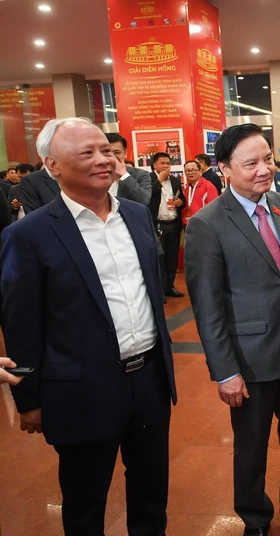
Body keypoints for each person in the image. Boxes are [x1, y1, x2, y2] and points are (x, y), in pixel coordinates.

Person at [0, 117, 177, 536]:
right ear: (52, 165)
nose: (105, 160)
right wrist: (29, 398)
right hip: (81, 389)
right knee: (85, 501)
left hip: (148, 379)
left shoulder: (135, 215)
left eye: (109, 151)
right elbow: (21, 321)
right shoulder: (29, 234)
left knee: (151, 492)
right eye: (88, 153)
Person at [184, 123, 280, 535]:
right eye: (250, 163)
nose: (264, 169)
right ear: (224, 169)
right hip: (249, 358)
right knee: (251, 446)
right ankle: (254, 514)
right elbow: (208, 306)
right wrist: (225, 371)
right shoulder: (207, 223)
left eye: (267, 159)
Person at [148, 152, 186, 300]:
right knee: (159, 259)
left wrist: (180, 203)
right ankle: (160, 290)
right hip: (158, 224)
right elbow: (146, 196)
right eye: (162, 163)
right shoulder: (148, 179)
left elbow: (181, 198)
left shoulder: (175, 180)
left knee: (172, 258)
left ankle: (169, 286)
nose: (166, 166)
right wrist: (159, 180)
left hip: (174, 224)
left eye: (168, 163)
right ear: (154, 165)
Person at [105, 133, 152, 205]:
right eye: (107, 152)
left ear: (125, 153)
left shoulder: (141, 175)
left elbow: (144, 200)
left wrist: (124, 175)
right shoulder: (95, 174)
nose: (112, 157)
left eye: (117, 152)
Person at [182, 160, 219, 226]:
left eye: (193, 170)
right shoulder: (187, 188)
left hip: (204, 224)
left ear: (199, 171)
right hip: (189, 223)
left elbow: (214, 209)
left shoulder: (208, 187)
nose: (190, 173)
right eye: (187, 171)